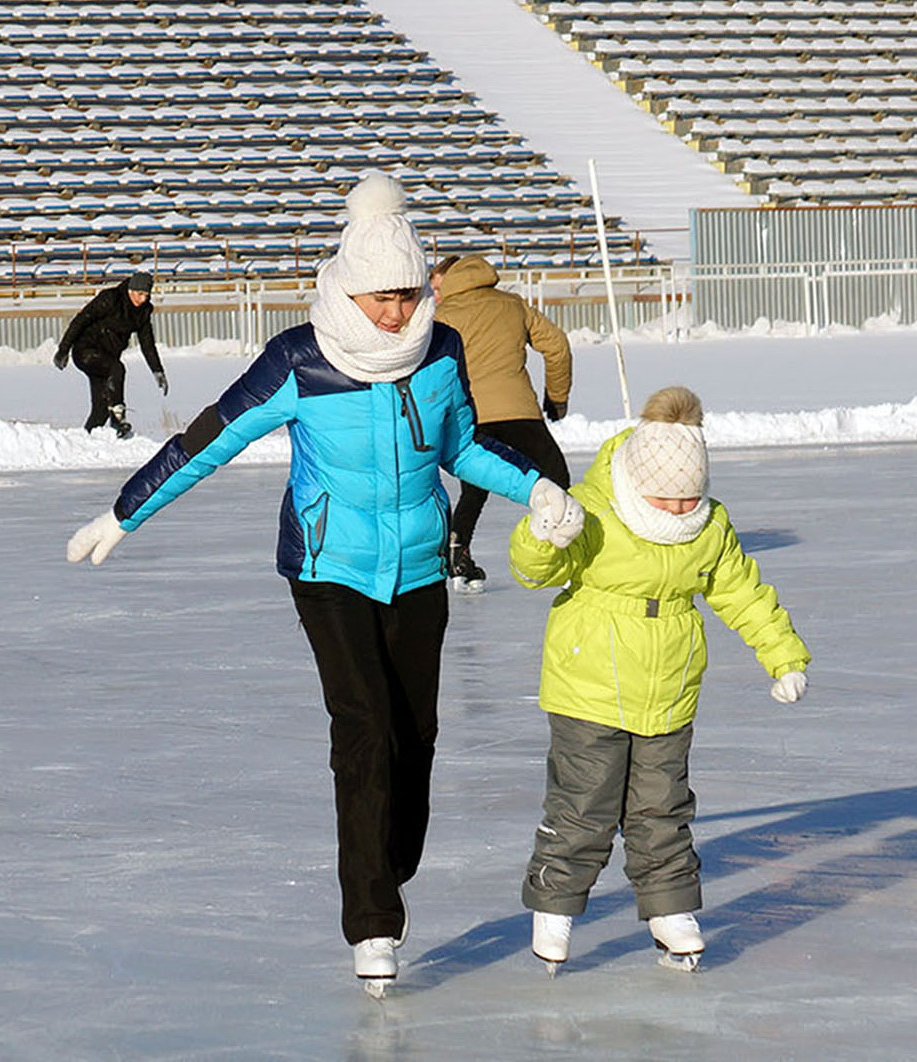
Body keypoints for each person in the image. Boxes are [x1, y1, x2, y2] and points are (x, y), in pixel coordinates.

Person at [63, 174, 584, 995]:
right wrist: (125, 513)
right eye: (381, 297)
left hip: (417, 569)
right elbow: (208, 440)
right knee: (365, 730)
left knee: (416, 738)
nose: (395, 313)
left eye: (409, 294)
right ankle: (372, 922)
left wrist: (537, 487)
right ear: (347, 286)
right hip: (327, 568)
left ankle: (388, 863)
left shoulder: (441, 351)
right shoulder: (300, 360)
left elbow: (462, 449)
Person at [507, 386, 811, 973]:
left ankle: (670, 909)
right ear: (637, 482)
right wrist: (543, 534)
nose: (677, 510)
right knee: (584, 806)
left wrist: (784, 656)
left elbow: (742, 592)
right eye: (664, 498)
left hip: (668, 690)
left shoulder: (709, 525)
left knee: (662, 809)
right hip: (588, 686)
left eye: (688, 497)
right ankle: (555, 907)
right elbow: (532, 571)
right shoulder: (593, 510)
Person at [430, 254, 573, 592]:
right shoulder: (513, 305)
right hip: (519, 412)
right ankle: (573, 548)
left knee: (475, 486)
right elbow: (557, 346)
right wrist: (557, 397)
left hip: (471, 415)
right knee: (557, 477)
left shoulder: (441, 317)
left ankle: (457, 550)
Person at [53, 271, 168, 439]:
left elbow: (147, 344)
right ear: (131, 290)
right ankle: (118, 418)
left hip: (106, 358)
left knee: (100, 410)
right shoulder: (111, 299)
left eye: (146, 295)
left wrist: (157, 370)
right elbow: (81, 320)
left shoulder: (142, 312)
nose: (142, 299)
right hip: (86, 352)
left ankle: (86, 440)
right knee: (117, 369)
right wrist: (63, 350)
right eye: (139, 294)